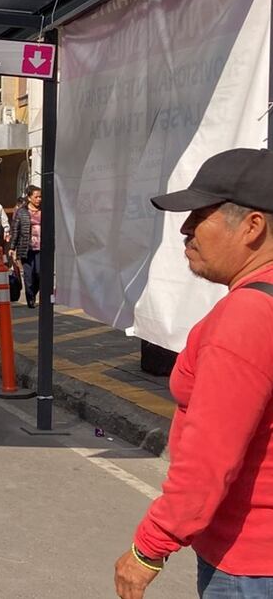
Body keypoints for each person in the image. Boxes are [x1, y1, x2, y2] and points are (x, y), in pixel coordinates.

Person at [113, 148, 273, 599]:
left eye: (200, 214)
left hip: (249, 563)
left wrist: (148, 549)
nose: (185, 229)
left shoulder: (246, 316)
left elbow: (209, 459)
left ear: (252, 226)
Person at [9, 185, 43, 308]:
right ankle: (30, 298)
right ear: (29, 198)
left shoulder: (44, 210)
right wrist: (12, 248)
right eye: (36, 197)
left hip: (41, 248)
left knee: (39, 274)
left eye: (40, 197)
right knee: (28, 275)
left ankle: (33, 292)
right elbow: (15, 230)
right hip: (26, 248)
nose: (39, 199)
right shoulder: (21, 212)